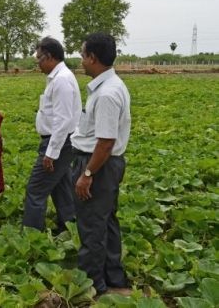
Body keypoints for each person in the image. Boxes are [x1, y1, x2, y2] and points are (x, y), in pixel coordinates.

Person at [71, 32, 132, 296]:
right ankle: (114, 278)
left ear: (93, 58)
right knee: (106, 221)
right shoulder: (110, 85)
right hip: (105, 163)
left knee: (92, 225)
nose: (81, 60)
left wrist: (87, 173)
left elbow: (105, 142)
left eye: (83, 55)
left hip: (99, 164)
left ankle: (92, 287)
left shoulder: (107, 93)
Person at [22, 37, 81, 233]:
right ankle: (69, 225)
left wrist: (51, 153)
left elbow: (63, 120)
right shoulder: (60, 77)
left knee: (35, 190)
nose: (37, 63)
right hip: (61, 142)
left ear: (49, 57)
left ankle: (32, 236)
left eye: (39, 58)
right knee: (60, 186)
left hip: (59, 143)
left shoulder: (62, 80)